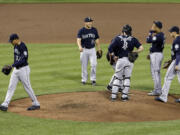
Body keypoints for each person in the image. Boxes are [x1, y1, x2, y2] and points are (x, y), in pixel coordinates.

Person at [0, 34, 40, 111]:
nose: (11, 42)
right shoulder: (15, 46)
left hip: (23, 70)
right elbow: (17, 59)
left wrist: (12, 65)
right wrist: (13, 66)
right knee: (11, 86)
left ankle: (36, 103)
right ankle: (5, 104)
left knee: (27, 86)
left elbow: (24, 59)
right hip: (16, 70)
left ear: (16, 39)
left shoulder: (23, 46)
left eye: (11, 41)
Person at [108, 24, 144, 101]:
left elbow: (110, 48)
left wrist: (114, 56)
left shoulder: (117, 38)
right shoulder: (133, 39)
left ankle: (113, 97)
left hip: (120, 61)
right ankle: (124, 97)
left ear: (123, 31)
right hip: (129, 61)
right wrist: (135, 51)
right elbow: (141, 48)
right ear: (130, 32)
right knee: (127, 78)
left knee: (117, 77)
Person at [155, 26, 180, 103]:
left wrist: (176, 64)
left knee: (168, 78)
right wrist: (171, 60)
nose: (170, 33)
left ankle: (163, 97)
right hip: (176, 60)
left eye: (171, 32)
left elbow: (179, 53)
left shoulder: (177, 40)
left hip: (178, 61)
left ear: (174, 32)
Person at [77, 17, 101, 86]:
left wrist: (99, 48)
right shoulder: (81, 30)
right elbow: (78, 40)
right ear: (85, 23)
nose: (90, 23)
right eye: (88, 22)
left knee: (94, 65)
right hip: (84, 50)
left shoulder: (94, 30)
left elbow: (97, 40)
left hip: (92, 50)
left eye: (91, 22)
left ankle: (93, 79)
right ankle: (83, 80)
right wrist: (79, 46)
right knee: (84, 66)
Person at [146, 21, 165, 96]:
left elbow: (148, 40)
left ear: (157, 27)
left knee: (155, 73)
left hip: (156, 55)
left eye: (153, 26)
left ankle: (157, 90)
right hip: (155, 54)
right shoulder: (159, 35)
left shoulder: (159, 36)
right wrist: (150, 53)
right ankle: (158, 89)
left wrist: (150, 33)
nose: (152, 27)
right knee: (156, 73)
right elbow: (154, 45)